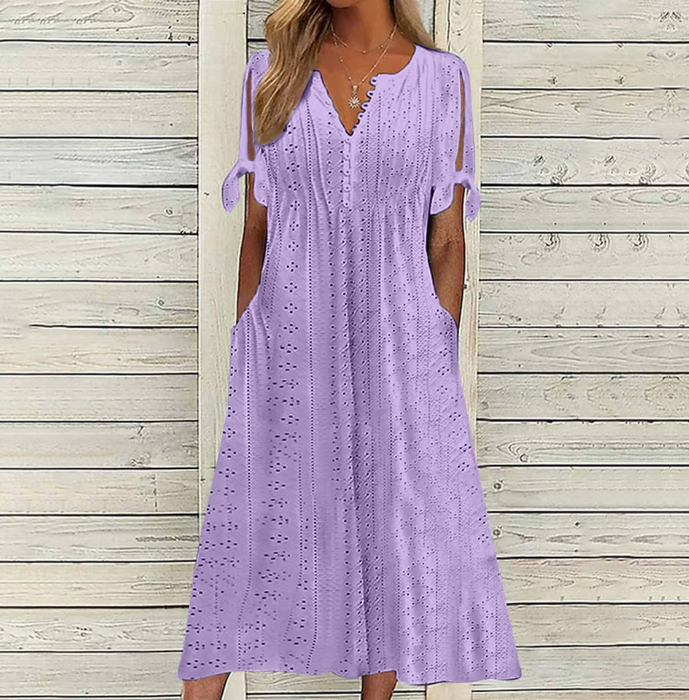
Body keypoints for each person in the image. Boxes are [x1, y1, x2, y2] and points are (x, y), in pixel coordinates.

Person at [178, 0, 522, 698]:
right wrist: (250, 334)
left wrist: (433, 346)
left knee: (388, 529)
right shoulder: (270, 75)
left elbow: (447, 239)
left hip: (403, 343)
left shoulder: (441, 82)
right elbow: (256, 229)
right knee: (246, 526)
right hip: (286, 337)